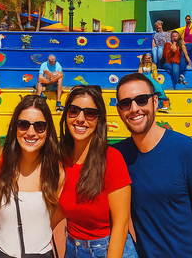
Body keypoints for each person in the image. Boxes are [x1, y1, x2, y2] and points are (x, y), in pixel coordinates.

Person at [113, 73, 192, 258]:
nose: (134, 108)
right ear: (119, 110)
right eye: (126, 103)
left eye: (141, 100)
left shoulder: (187, 151)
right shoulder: (117, 155)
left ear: (155, 101)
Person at [57, 85, 137, 258]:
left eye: (90, 113)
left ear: (99, 120)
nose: (80, 119)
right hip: (72, 248)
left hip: (108, 249)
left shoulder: (112, 159)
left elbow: (121, 224)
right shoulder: (60, 159)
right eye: (74, 111)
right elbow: (60, 210)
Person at [0, 95, 62, 258]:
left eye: (39, 126)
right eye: (23, 124)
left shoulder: (57, 171)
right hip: (0, 253)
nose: (31, 132)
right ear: (15, 127)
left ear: (48, 129)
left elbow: (55, 218)